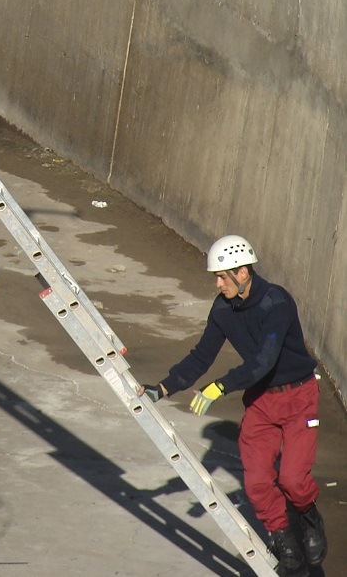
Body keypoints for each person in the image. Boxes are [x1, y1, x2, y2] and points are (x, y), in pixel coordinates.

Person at [139, 235, 326, 577]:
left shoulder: (277, 303)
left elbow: (264, 360)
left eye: (221, 276)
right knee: (256, 483)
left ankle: (309, 516)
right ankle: (285, 544)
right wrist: (163, 388)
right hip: (261, 401)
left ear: (242, 272)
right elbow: (202, 355)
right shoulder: (223, 309)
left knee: (293, 480)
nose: (217, 283)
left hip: (298, 397)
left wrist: (220, 386)